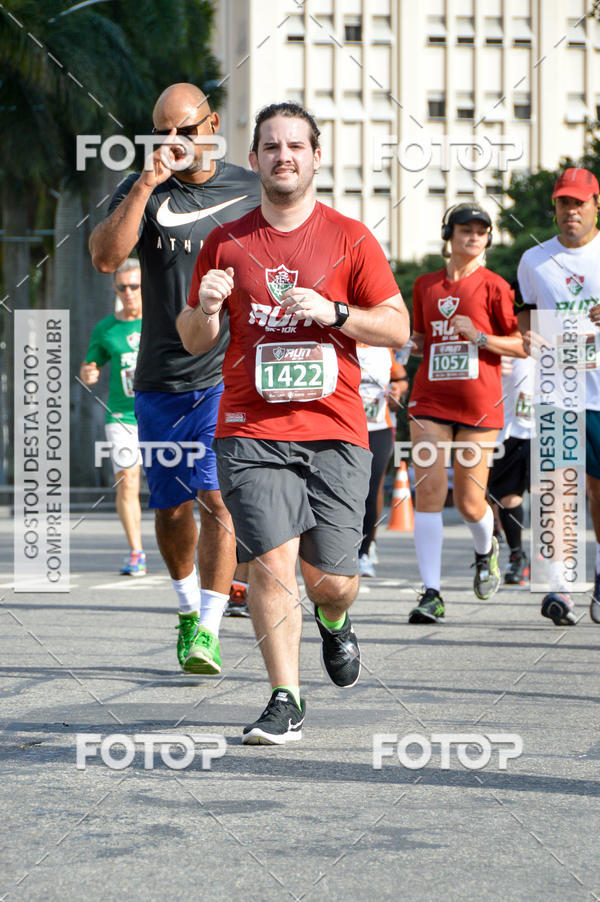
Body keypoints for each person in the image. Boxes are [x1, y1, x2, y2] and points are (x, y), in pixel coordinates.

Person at [177, 101, 410, 744]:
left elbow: (398, 327)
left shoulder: (351, 237)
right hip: (249, 429)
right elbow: (193, 338)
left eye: (296, 146)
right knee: (273, 564)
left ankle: (335, 621)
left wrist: (336, 312)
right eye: (272, 147)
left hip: (335, 429)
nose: (284, 156)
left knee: (331, 581)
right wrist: (206, 308)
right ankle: (286, 698)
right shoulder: (226, 241)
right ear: (254, 159)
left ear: (315, 158)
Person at [89, 83, 261, 673]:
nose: (173, 141)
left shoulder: (250, 188)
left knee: (216, 497)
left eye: (185, 130)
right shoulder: (142, 189)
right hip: (160, 379)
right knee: (171, 509)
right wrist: (143, 184)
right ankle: (187, 610)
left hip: (227, 374)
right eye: (162, 131)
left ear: (211, 125)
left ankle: (208, 627)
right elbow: (106, 258)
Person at [406, 203, 526, 624]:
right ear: (449, 235)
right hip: (429, 401)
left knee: (471, 502)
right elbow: (421, 339)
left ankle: (486, 548)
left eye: (481, 231)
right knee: (429, 491)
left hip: (479, 405)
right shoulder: (425, 285)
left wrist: (480, 337)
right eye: (465, 230)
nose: (474, 237)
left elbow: (522, 344)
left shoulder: (495, 286)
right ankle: (431, 593)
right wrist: (402, 343)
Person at [516, 167, 600, 625]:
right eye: (564, 202)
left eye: (579, 203)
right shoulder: (534, 259)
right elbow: (526, 313)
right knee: (557, 489)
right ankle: (560, 588)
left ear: (596, 205)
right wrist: (528, 336)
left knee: (597, 493)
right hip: (557, 392)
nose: (571, 211)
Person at [80, 259, 145, 576]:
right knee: (127, 482)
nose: (129, 292)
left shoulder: (162, 321)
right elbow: (90, 366)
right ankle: (136, 552)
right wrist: (88, 373)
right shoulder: (105, 328)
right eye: (122, 287)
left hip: (161, 414)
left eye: (134, 286)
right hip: (122, 416)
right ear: (115, 289)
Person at [356, 345, 407, 577]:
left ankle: (364, 551)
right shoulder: (337, 338)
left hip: (378, 427)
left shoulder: (384, 347)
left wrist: (397, 391)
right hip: (344, 427)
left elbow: (401, 379)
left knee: (371, 488)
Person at [487, 349, 534, 585]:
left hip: (549, 427)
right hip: (508, 430)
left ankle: (554, 560)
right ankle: (517, 556)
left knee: (552, 496)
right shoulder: (498, 341)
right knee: (508, 497)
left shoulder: (552, 334)